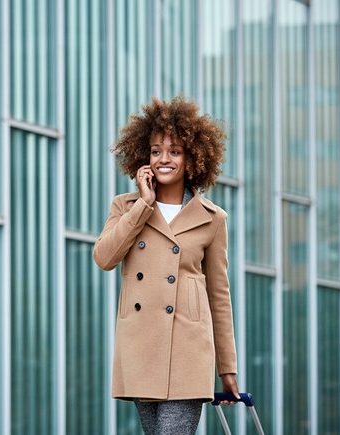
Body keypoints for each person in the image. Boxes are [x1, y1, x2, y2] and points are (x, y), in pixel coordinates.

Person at [93, 96, 240, 434]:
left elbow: (219, 294)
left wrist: (227, 368)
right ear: (143, 157)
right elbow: (104, 258)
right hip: (141, 346)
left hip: (188, 348)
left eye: (175, 151)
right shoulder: (126, 206)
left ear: (192, 157)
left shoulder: (212, 218)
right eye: (156, 151)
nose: (164, 159)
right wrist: (143, 205)